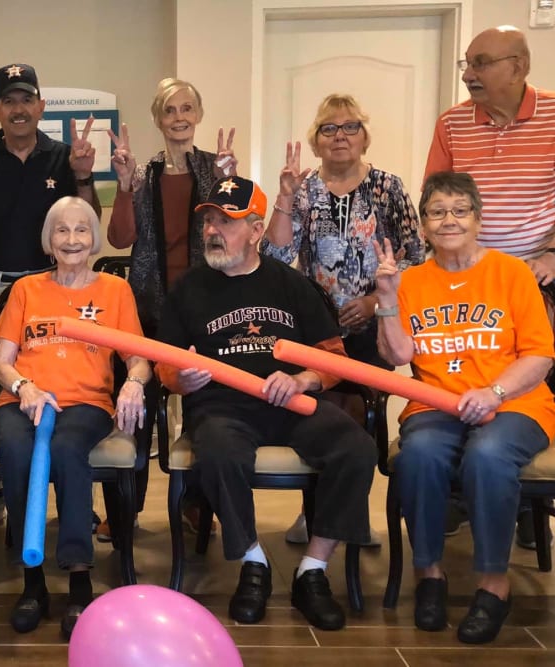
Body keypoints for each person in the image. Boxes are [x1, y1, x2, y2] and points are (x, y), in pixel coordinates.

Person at [156, 175, 377, 631]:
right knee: (217, 450)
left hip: (290, 403)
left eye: (227, 222)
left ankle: (312, 570)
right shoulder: (189, 288)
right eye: (210, 221)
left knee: (358, 448)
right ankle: (253, 562)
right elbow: (165, 367)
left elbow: (334, 358)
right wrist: (184, 378)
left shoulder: (290, 285)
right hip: (220, 406)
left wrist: (303, 379)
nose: (214, 230)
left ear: (257, 231)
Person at [373, 171, 555, 644]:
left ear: (478, 218)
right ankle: (429, 574)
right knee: (419, 454)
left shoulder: (512, 273)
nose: (448, 220)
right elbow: (398, 357)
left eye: (459, 210)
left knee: (489, 454)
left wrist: (494, 393)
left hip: (516, 402)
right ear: (424, 225)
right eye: (437, 211)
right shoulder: (411, 280)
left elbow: (540, 355)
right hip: (436, 403)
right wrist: (388, 303)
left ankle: (494, 584)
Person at [260, 93, 424, 545]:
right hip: (315, 329)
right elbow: (275, 254)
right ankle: (312, 514)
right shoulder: (306, 188)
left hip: (374, 328)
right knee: (321, 416)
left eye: (350, 126)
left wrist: (374, 301)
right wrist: (286, 199)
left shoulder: (388, 188)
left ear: (364, 136)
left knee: (364, 421)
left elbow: (415, 257)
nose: (340, 136)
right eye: (329, 128)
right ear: (316, 140)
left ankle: (349, 515)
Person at [0, 63, 101, 533]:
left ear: (40, 106)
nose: (18, 109)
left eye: (26, 99)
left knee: (63, 377)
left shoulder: (62, 156)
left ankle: (72, 490)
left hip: (48, 286)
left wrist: (85, 175)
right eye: (8, 101)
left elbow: (89, 227)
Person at [0, 196, 150, 640]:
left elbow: (139, 358)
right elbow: (2, 362)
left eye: (81, 230)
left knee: (66, 448)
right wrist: (24, 387)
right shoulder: (26, 290)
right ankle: (33, 584)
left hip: (85, 402)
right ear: (49, 239)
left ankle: (80, 581)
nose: (72, 239)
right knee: (18, 451)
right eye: (62, 230)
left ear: (94, 239)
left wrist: (134, 382)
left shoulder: (115, 291)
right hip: (22, 400)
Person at [423, 25, 555, 548]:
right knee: (458, 373)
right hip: (466, 276)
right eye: (466, 64)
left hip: (538, 274)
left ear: (518, 67)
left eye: (480, 63)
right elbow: (435, 195)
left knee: (528, 378)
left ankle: (524, 499)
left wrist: (552, 254)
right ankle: (461, 487)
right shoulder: (453, 123)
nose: (468, 74)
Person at [104, 77, 238, 539]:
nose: (179, 118)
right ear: (158, 120)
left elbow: (235, 234)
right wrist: (124, 187)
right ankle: (126, 509)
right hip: (150, 308)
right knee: (136, 406)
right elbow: (120, 239)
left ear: (197, 115)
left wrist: (229, 185)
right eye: (169, 111)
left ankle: (197, 504)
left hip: (207, 307)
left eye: (187, 109)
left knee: (206, 405)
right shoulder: (143, 174)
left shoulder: (217, 168)